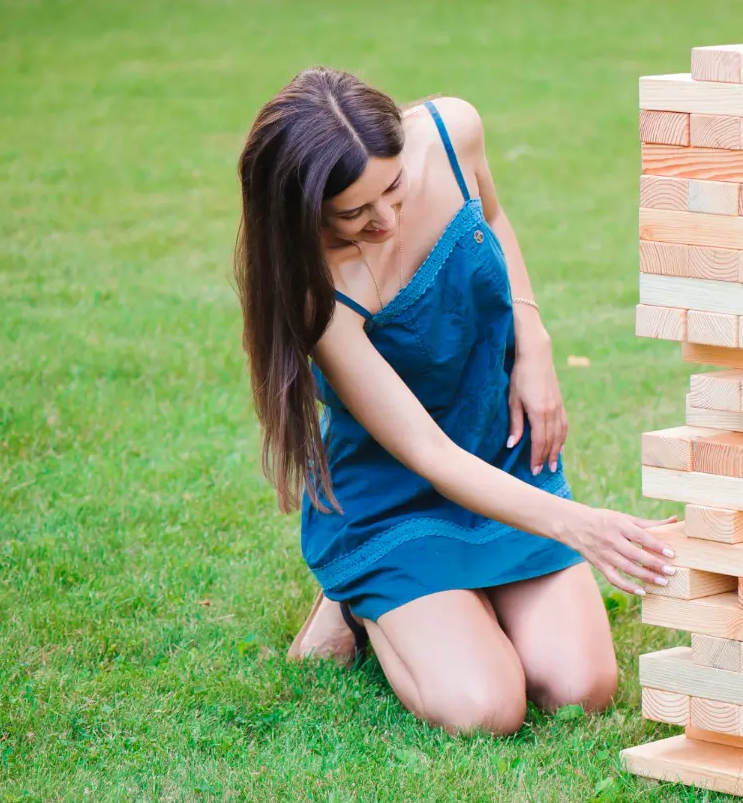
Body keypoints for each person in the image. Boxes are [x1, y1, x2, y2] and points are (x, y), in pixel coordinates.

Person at [235, 68, 678, 736]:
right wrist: (576, 524)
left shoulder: (451, 132)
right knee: (485, 709)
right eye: (354, 214)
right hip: (396, 497)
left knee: (580, 690)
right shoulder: (315, 292)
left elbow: (492, 218)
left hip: (498, 455)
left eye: (393, 189)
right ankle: (360, 601)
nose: (384, 220)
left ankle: (464, 599)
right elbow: (426, 454)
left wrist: (533, 339)